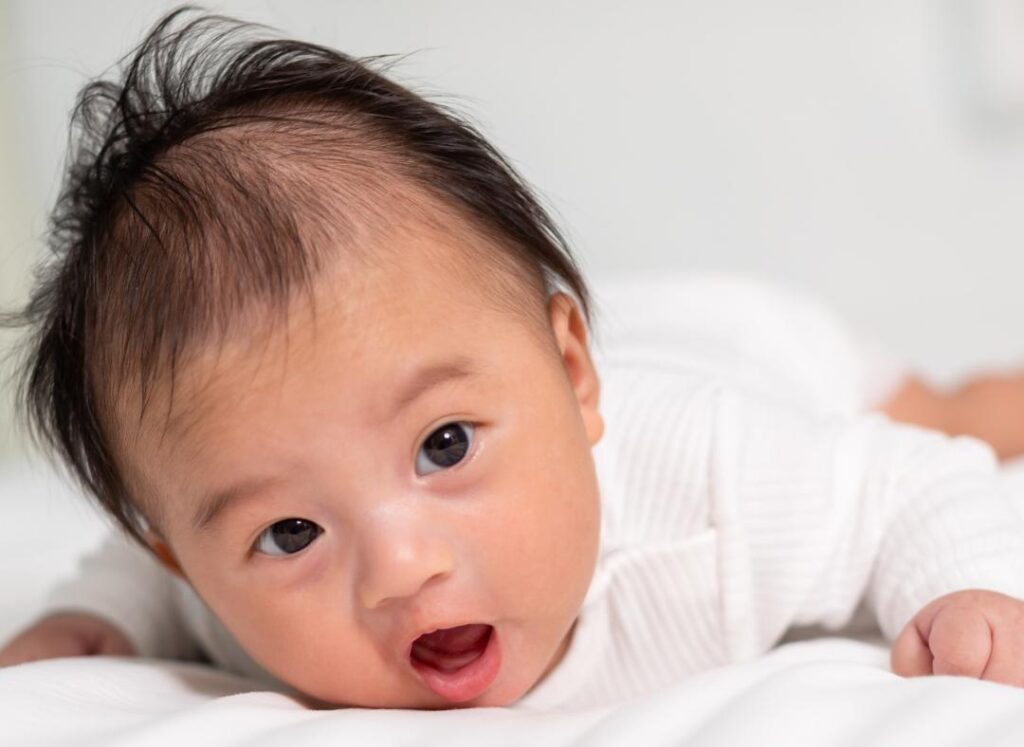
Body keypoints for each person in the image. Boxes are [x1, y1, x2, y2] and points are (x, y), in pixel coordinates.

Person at [4, 9, 1024, 711]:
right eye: (294, 530)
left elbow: (904, 490)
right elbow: (145, 557)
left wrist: (962, 587)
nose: (403, 567)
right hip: (523, 346)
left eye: (444, 445)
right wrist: (96, 617)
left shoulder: (719, 479)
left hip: (737, 344)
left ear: (573, 376)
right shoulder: (223, 579)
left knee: (952, 414)